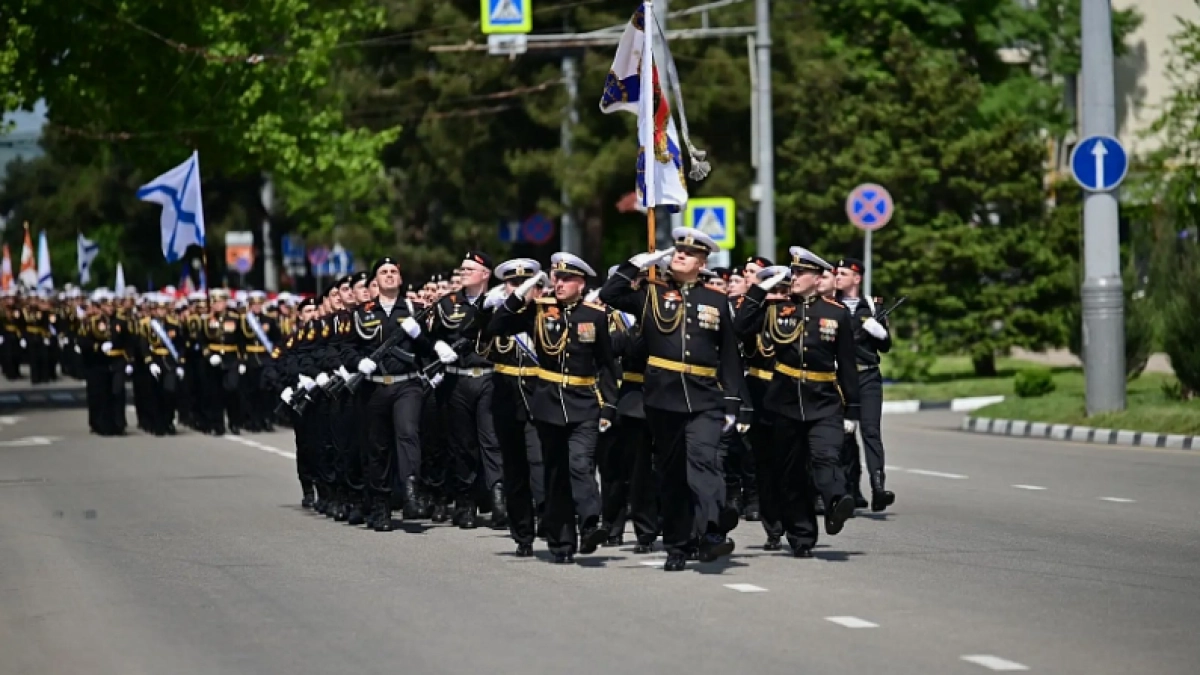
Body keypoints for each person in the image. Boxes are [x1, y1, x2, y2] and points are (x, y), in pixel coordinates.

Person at [600, 228, 746, 572]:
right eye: (678, 251)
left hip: (705, 395)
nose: (680, 255)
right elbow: (610, 293)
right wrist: (636, 263)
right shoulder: (650, 293)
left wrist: (732, 402)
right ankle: (678, 545)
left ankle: (711, 531)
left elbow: (729, 355)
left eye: (689, 253)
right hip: (662, 398)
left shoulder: (716, 300)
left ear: (702, 263)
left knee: (703, 463)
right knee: (672, 474)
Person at [489, 253, 619, 564]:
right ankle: (562, 543)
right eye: (556, 278)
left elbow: (607, 364)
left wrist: (609, 406)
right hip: (547, 403)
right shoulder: (538, 311)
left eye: (567, 279)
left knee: (579, 464)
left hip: (584, 401)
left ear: (581, 284)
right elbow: (497, 325)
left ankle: (590, 524)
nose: (559, 284)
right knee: (555, 474)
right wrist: (523, 292)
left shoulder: (594, 316)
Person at [733, 247, 860, 558]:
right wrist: (759, 290)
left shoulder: (836, 314)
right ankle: (802, 537)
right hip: (785, 402)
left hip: (824, 399)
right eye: (793, 272)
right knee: (791, 474)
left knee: (826, 456)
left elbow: (846, 364)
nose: (795, 277)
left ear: (817, 278)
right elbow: (740, 326)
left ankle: (836, 500)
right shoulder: (776, 310)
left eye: (802, 272)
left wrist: (853, 409)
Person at [353, 257, 456, 532]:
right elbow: (348, 347)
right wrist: (358, 362)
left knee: (408, 433)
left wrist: (419, 335)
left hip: (407, 384)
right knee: (378, 447)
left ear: (400, 279)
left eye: (393, 272)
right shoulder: (361, 313)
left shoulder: (414, 309)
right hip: (374, 386)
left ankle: (411, 490)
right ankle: (381, 506)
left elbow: (429, 347)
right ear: (375, 280)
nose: (389, 275)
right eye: (383, 272)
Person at [480, 258, 547, 556]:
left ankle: (546, 516)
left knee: (539, 461)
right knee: (514, 467)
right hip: (506, 394)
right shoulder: (499, 315)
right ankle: (522, 533)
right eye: (513, 283)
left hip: (539, 392)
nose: (519, 288)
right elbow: (478, 337)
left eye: (525, 283)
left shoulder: (545, 314)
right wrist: (486, 306)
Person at [835, 257, 896, 512]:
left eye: (843, 273)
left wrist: (878, 330)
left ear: (856, 278)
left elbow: (885, 345)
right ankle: (849, 488)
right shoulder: (831, 304)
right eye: (836, 273)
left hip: (868, 375)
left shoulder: (872, 306)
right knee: (844, 434)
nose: (837, 277)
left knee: (871, 431)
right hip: (840, 379)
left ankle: (878, 488)